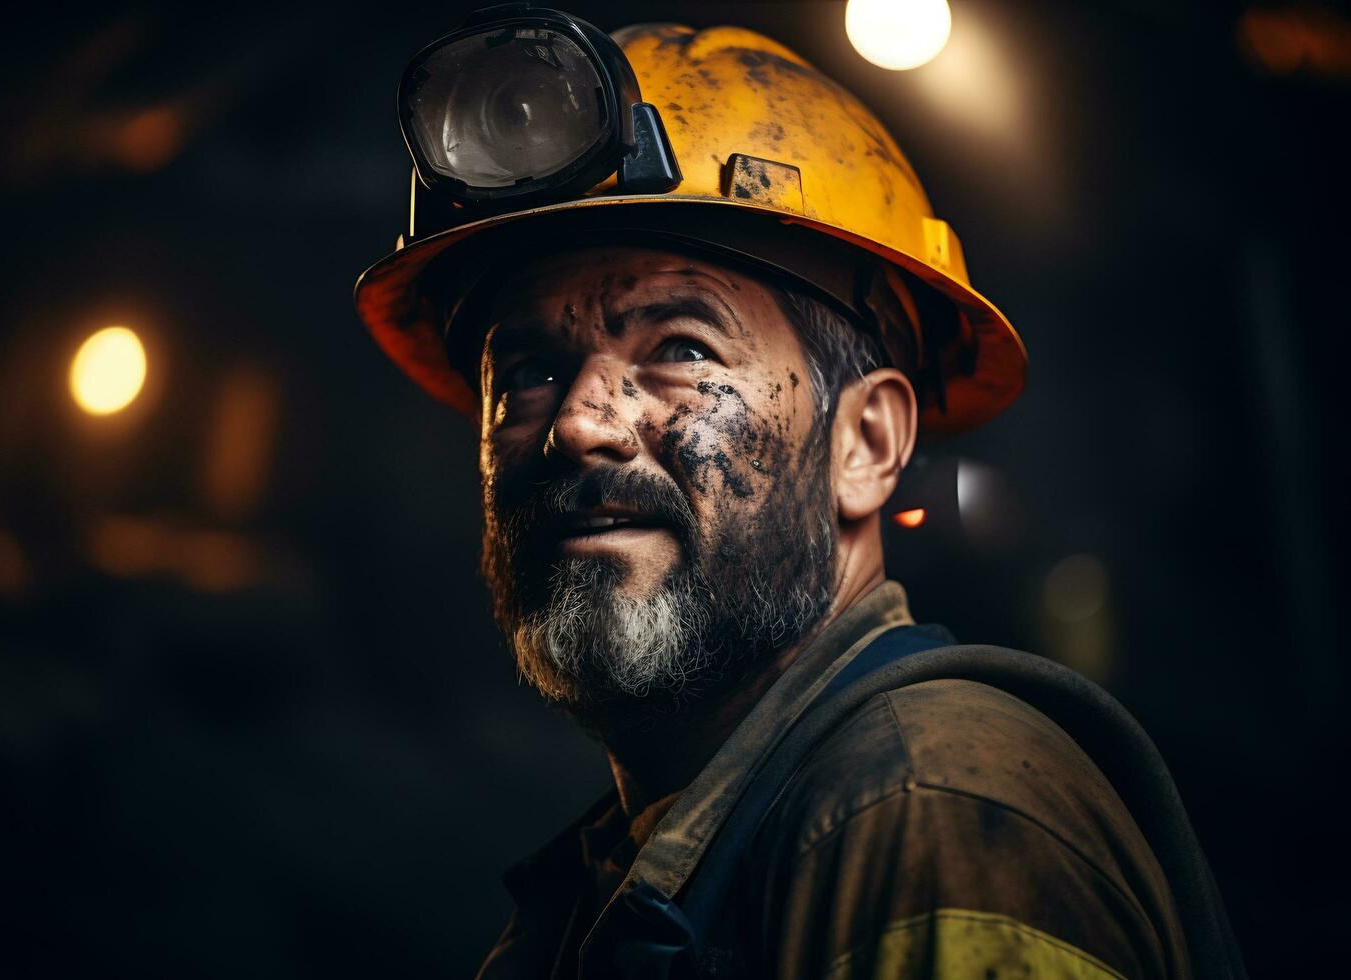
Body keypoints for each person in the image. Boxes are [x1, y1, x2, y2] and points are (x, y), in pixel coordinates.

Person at [354, 10, 1243, 978]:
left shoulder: (929, 808)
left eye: (680, 348)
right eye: (525, 369)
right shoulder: (634, 873)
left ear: (865, 444)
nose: (577, 421)